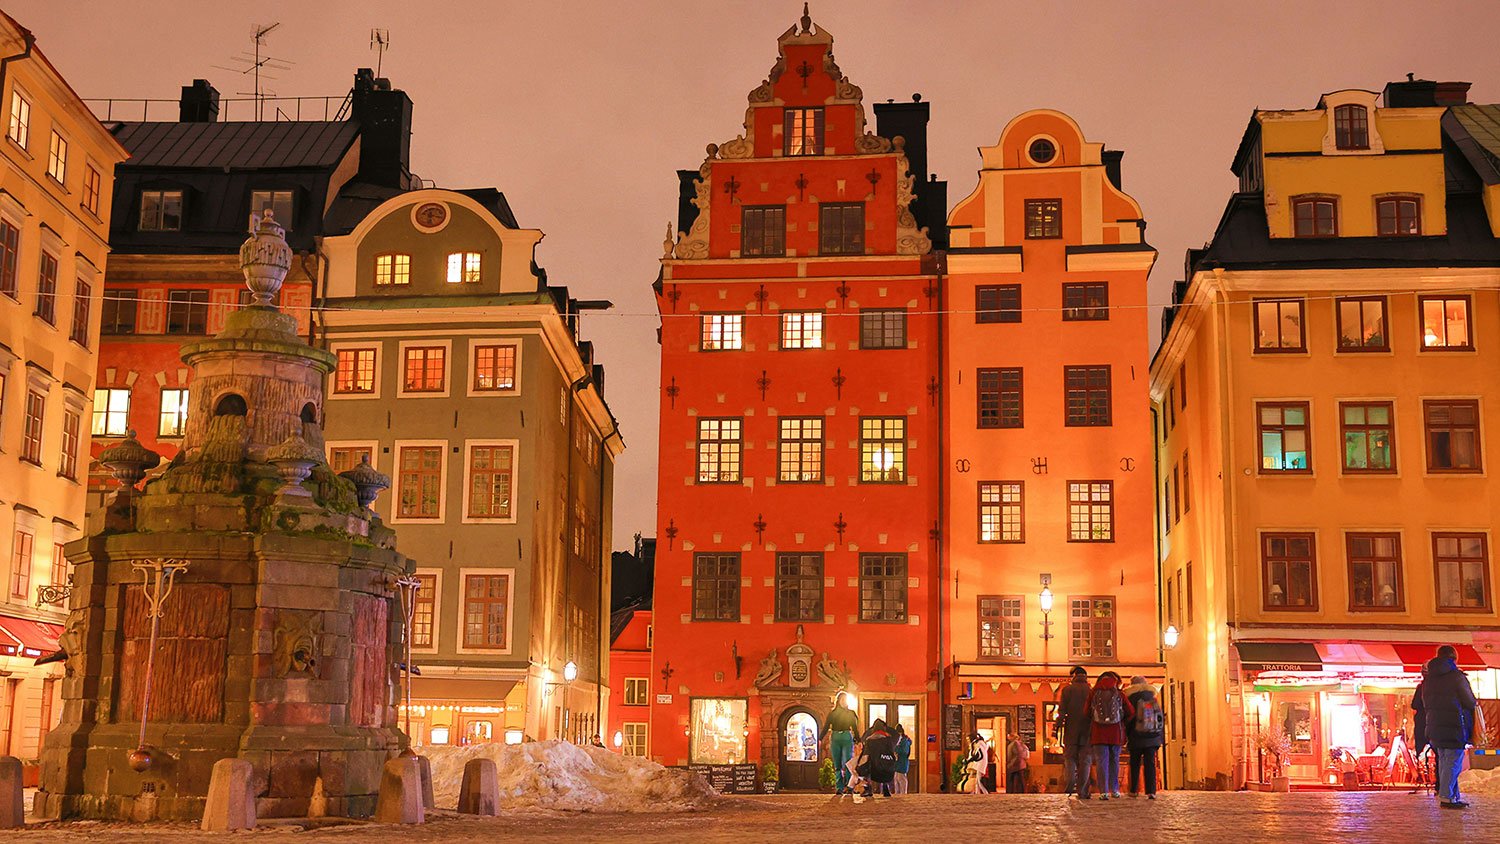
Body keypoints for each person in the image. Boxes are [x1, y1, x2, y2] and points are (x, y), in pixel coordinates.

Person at [1420, 644, 1478, 809]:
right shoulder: (1457, 677)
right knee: (1453, 762)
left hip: (1434, 726)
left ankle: (1452, 796)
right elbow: (1469, 701)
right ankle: (1446, 797)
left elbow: (1425, 703)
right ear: (1454, 658)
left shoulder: (1428, 679)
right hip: (1455, 726)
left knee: (1445, 761)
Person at [1087, 670, 1133, 801]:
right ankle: (1115, 790)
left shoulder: (1093, 693)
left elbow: (1086, 712)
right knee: (1114, 761)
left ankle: (1103, 792)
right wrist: (1122, 722)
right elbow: (1131, 711)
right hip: (1116, 733)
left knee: (1102, 762)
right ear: (1115, 681)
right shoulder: (1120, 694)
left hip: (1098, 734)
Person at [1123, 675, 1164, 799]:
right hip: (1152, 736)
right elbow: (1159, 716)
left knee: (1135, 763)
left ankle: (1133, 789)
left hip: (1136, 735)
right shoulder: (1152, 697)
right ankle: (1151, 791)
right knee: (1150, 763)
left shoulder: (1130, 698)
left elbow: (1128, 718)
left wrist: (1127, 734)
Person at [1058, 666, 1094, 799]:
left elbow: (1062, 711)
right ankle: (1083, 791)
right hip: (1088, 731)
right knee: (1085, 761)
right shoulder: (1091, 691)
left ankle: (1069, 785)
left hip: (1071, 731)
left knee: (1070, 759)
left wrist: (1056, 728)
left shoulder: (1067, 690)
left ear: (1074, 676)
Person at [823, 696, 860, 796]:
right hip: (835, 736)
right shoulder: (832, 713)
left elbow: (855, 727)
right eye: (842, 700)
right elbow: (826, 726)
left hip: (846, 736)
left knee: (847, 762)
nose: (844, 702)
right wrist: (820, 738)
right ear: (838, 701)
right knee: (837, 763)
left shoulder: (850, 713)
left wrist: (858, 739)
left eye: (845, 700)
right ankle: (839, 787)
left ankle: (849, 786)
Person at [860, 719, 897, 798]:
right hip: (886, 767)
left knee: (865, 766)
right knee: (884, 764)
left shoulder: (869, 739)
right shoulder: (888, 738)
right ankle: (885, 787)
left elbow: (866, 754)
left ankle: (868, 789)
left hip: (874, 768)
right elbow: (890, 751)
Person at [892, 724, 913, 795]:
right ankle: (898, 794)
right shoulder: (901, 741)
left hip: (902, 763)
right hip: (898, 764)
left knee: (902, 780)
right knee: (897, 779)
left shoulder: (904, 741)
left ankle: (903, 794)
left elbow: (904, 751)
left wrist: (895, 749)